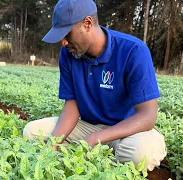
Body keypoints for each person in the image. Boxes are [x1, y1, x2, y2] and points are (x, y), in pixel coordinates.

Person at [23, 0, 167, 171]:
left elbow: (148, 116)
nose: (63, 42)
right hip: (88, 127)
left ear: (87, 23)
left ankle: (97, 161)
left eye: (66, 34)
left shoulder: (133, 51)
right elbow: (72, 105)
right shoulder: (68, 54)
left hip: (127, 131)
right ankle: (96, 162)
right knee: (32, 132)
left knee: (142, 153)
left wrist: (96, 138)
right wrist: (54, 143)